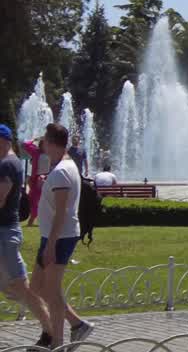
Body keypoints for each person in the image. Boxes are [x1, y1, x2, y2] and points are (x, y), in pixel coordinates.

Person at [30, 123, 93, 347]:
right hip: (53, 236)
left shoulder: (62, 172)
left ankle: (57, 343)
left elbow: (62, 212)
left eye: (44, 141)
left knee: (52, 290)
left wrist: (51, 245)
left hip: (59, 237)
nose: (42, 145)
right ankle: (77, 324)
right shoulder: (62, 168)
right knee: (37, 286)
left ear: (50, 143)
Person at [0, 125, 54, 347]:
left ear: (3, 140)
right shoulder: (9, 162)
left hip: (5, 235)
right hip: (5, 233)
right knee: (18, 287)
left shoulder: (6, 164)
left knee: (22, 287)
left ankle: (51, 331)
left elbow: (0, 198)